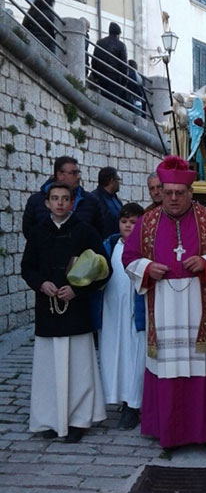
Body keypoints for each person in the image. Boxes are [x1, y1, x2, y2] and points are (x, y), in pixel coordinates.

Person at [122, 155, 206, 449]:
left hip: (202, 308)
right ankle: (169, 432)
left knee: (203, 370)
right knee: (168, 370)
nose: (173, 199)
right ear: (160, 191)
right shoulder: (147, 221)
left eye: (179, 193)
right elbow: (129, 258)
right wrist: (147, 269)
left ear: (191, 193)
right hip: (162, 308)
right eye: (167, 193)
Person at [21, 182, 109, 443]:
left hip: (76, 311)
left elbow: (103, 271)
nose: (59, 203)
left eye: (65, 198)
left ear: (72, 203)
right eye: (54, 198)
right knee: (48, 369)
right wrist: (41, 284)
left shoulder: (85, 232)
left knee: (79, 367)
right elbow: (28, 268)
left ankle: (79, 420)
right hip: (48, 311)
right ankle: (49, 419)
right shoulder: (38, 232)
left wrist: (77, 291)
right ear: (47, 203)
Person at [98, 203, 146, 430]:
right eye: (124, 221)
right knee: (113, 355)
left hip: (135, 312)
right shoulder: (109, 245)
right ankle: (117, 397)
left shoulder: (146, 247)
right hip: (112, 311)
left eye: (134, 222)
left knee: (134, 357)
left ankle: (133, 403)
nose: (128, 226)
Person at [22, 156, 104, 239]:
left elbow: (99, 232)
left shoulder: (91, 201)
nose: (78, 177)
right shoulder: (36, 201)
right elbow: (28, 231)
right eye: (74, 173)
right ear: (60, 175)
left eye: (78, 173)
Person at [91, 22, 128, 104]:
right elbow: (124, 66)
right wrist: (124, 83)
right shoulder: (121, 45)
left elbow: (94, 60)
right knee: (112, 102)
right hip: (114, 79)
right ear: (118, 34)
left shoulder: (100, 43)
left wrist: (95, 75)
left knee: (102, 99)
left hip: (101, 77)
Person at [91, 166, 123, 237]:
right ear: (112, 180)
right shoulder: (94, 199)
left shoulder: (116, 199)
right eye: (118, 180)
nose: (119, 183)